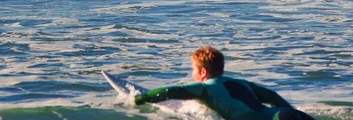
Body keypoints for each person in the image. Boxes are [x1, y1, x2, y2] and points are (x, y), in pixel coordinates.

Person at [135, 46, 315, 120]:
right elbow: (271, 96)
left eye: (193, 69)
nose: (192, 73)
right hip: (285, 114)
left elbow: (171, 91)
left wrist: (138, 100)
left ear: (203, 71)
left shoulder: (204, 88)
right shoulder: (242, 82)